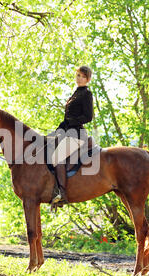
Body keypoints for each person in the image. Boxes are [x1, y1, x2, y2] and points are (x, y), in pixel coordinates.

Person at [51, 65, 94, 204]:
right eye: (78, 75)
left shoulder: (87, 94)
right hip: (67, 132)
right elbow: (67, 119)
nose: (79, 78)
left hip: (77, 134)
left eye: (82, 76)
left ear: (87, 79)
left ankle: (62, 193)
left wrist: (71, 122)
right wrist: (59, 129)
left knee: (57, 157)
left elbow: (88, 117)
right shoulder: (75, 93)